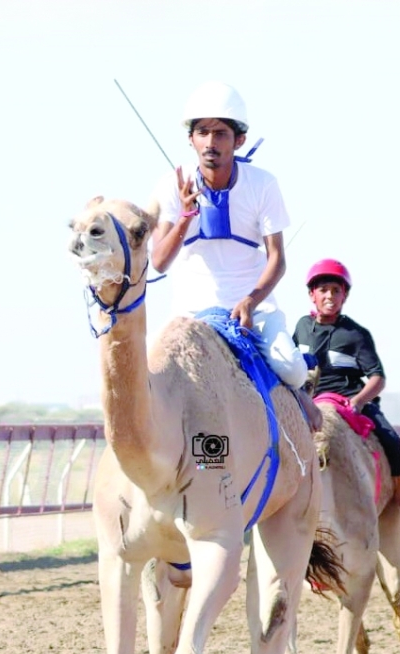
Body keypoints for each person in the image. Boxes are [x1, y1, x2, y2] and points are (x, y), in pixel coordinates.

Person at [150, 81, 320, 428]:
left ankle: (299, 398)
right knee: (153, 374)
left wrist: (251, 301)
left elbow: (277, 259)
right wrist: (185, 215)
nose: (211, 142)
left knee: (290, 368)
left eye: (221, 133)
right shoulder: (172, 184)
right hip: (190, 313)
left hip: (252, 311)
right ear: (191, 139)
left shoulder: (263, 184)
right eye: (202, 132)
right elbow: (159, 261)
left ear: (238, 140)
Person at [293, 259, 400, 530]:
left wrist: (358, 402)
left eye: (336, 290)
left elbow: (378, 377)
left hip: (349, 400)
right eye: (323, 290)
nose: (329, 296)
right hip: (309, 401)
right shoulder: (301, 327)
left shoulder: (355, 334)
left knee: (391, 439)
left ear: (345, 295)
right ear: (312, 294)